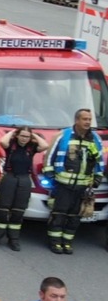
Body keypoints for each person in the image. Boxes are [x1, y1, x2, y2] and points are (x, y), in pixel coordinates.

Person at [43, 108, 103, 254]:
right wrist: (51, 175)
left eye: (89, 119)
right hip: (64, 184)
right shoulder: (63, 136)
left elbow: (99, 160)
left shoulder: (94, 138)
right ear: (77, 120)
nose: (88, 122)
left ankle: (67, 242)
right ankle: (55, 242)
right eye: (85, 119)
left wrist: (97, 177)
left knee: (75, 217)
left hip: (83, 186)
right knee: (59, 214)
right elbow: (50, 155)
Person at [0, 126, 49, 251]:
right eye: (22, 136)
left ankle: (13, 238)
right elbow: (2, 142)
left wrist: (33, 135)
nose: (24, 139)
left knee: (19, 211)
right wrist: (13, 131)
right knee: (3, 209)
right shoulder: (11, 146)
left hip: (24, 180)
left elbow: (45, 146)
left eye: (26, 136)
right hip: (10, 178)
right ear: (17, 136)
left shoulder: (31, 148)